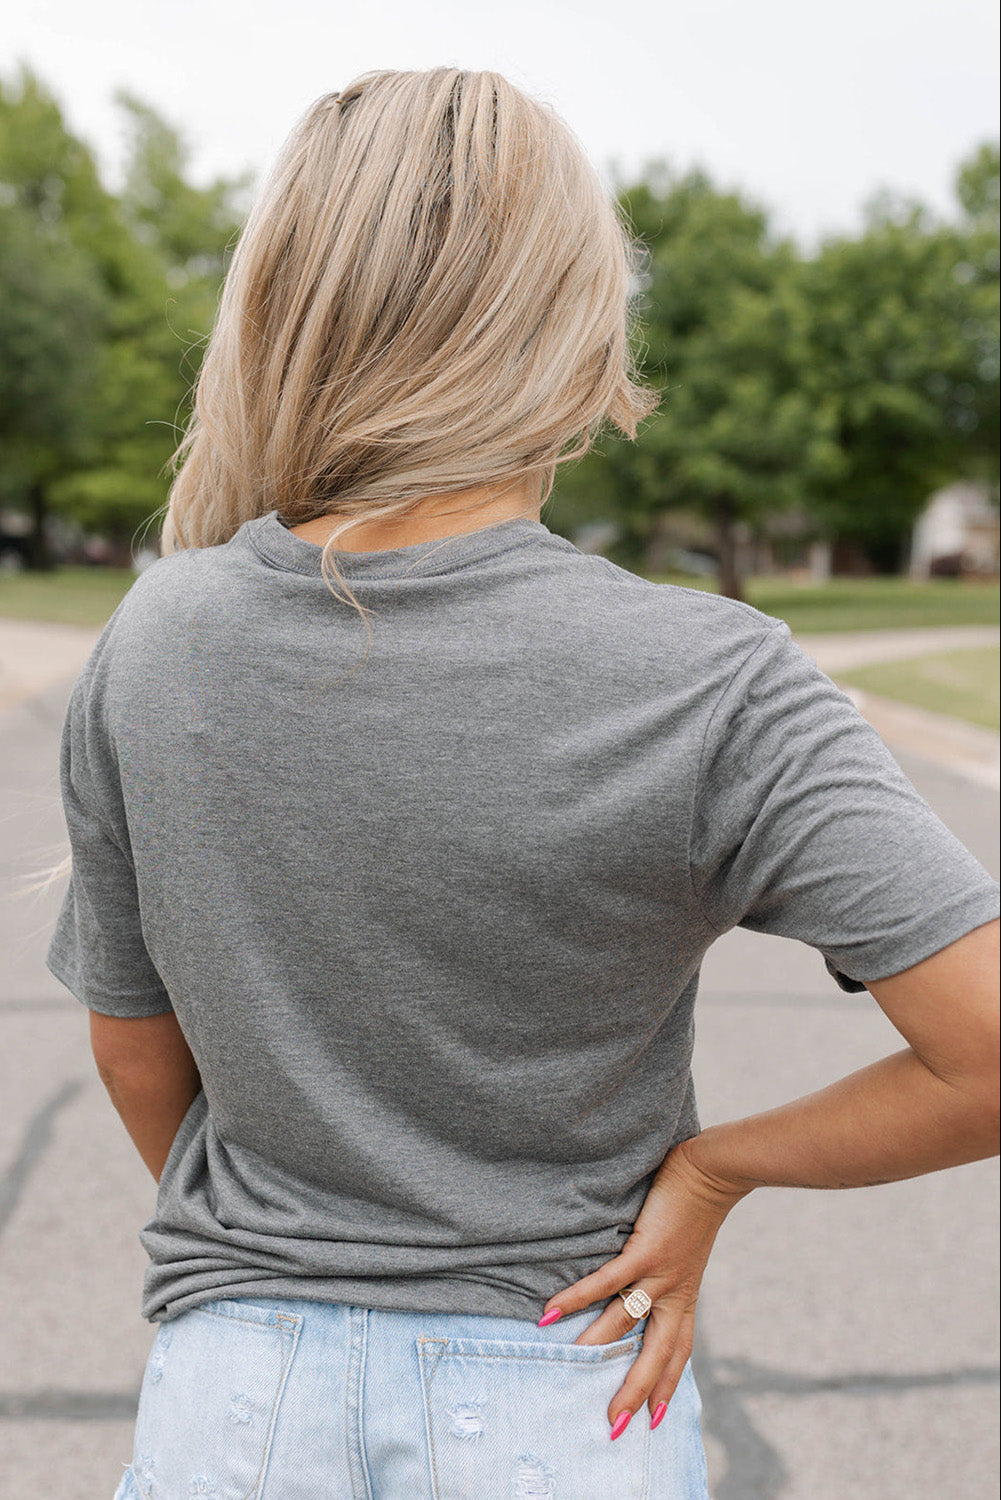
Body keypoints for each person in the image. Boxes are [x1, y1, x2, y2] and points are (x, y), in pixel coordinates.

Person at [40, 67, 998, 1500]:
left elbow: (135, 1054)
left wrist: (296, 1247)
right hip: (559, 1381)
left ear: (284, 305)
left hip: (234, 1399)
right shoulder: (709, 677)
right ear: (572, 320)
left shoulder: (159, 634)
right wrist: (714, 1172)